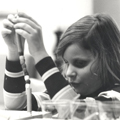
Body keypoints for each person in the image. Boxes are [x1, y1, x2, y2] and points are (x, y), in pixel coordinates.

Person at [1, 12, 120, 118]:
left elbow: (75, 115)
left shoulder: (116, 96)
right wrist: (14, 50)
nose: (68, 73)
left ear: (109, 60)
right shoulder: (68, 93)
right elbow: (17, 104)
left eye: (80, 63)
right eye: (66, 63)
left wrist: (39, 53)